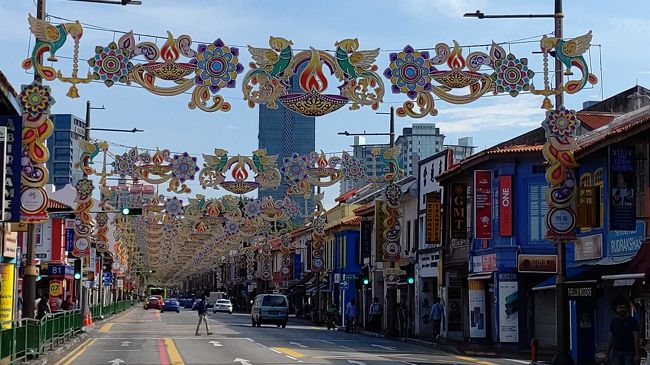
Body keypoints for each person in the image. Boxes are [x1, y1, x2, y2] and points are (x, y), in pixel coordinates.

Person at [608, 297, 640, 365]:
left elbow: (636, 338)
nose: (622, 309)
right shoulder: (613, 322)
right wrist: (607, 352)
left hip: (629, 352)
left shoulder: (632, 321)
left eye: (624, 307)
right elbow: (611, 338)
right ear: (616, 309)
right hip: (616, 352)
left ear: (627, 309)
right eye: (620, 308)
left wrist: (637, 354)